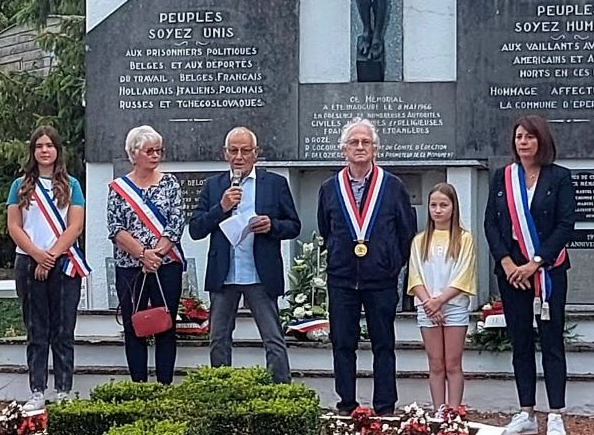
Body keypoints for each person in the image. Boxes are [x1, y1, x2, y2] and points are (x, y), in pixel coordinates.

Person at [484, 115, 577, 435]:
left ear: (541, 141)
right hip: (512, 276)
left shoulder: (559, 178)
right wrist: (508, 263)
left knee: (551, 342)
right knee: (520, 342)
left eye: (530, 137)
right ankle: (526, 412)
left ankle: (555, 413)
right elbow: (491, 226)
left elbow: (566, 225)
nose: (523, 142)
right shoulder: (502, 178)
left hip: (548, 273)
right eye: (519, 137)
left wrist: (535, 263)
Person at [317, 117, 417, 415]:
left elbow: (406, 231)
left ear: (376, 149)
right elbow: (326, 228)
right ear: (343, 150)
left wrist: (389, 262)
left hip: (380, 279)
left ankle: (385, 406)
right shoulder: (329, 188)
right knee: (343, 344)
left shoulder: (393, 186)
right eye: (354, 143)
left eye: (366, 142)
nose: (360, 147)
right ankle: (346, 404)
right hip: (342, 278)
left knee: (383, 344)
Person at [187, 127, 302, 383]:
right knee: (218, 338)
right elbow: (196, 229)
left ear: (256, 154)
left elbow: (294, 225)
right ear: (225, 154)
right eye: (233, 150)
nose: (239, 156)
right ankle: (222, 392)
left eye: (245, 150)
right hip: (224, 274)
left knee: (273, 338)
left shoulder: (274, 183)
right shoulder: (213, 185)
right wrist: (222, 208)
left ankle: (281, 393)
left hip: (260, 273)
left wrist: (272, 225)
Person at [6, 125, 88, 409]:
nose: (44, 150)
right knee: (36, 329)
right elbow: (14, 226)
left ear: (57, 150)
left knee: (63, 329)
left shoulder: (72, 185)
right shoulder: (20, 185)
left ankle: (63, 389)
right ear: (33, 151)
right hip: (28, 262)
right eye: (39, 146)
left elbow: (75, 225)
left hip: (63, 263)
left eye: (49, 145)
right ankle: (37, 390)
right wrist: (37, 255)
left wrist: (50, 256)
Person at [107, 125, 186, 385]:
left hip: (166, 265)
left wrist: (157, 255)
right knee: (135, 327)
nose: (155, 155)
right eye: (149, 150)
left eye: (158, 150)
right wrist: (143, 254)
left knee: (165, 325)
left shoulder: (170, 183)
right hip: (131, 267)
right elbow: (116, 229)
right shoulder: (119, 188)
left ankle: (164, 385)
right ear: (133, 153)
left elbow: (176, 222)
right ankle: (138, 386)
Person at [407, 182, 477, 414]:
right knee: (436, 363)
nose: (438, 210)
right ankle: (439, 410)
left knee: (453, 363)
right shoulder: (419, 240)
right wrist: (430, 302)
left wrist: (440, 301)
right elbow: (415, 275)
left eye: (444, 205)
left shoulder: (464, 239)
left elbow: (463, 274)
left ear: (453, 208)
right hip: (427, 308)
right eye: (434, 205)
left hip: (453, 306)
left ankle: (454, 411)